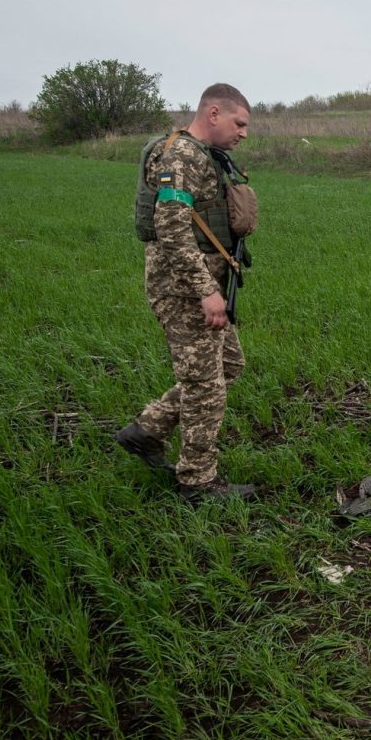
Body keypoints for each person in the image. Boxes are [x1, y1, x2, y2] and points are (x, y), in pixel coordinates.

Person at [115, 83, 256, 503]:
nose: (244, 133)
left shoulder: (199, 154)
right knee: (205, 386)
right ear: (213, 113)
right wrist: (205, 291)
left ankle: (147, 430)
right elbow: (172, 228)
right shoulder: (180, 156)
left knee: (228, 365)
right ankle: (197, 482)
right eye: (239, 123)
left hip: (198, 286)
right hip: (183, 291)